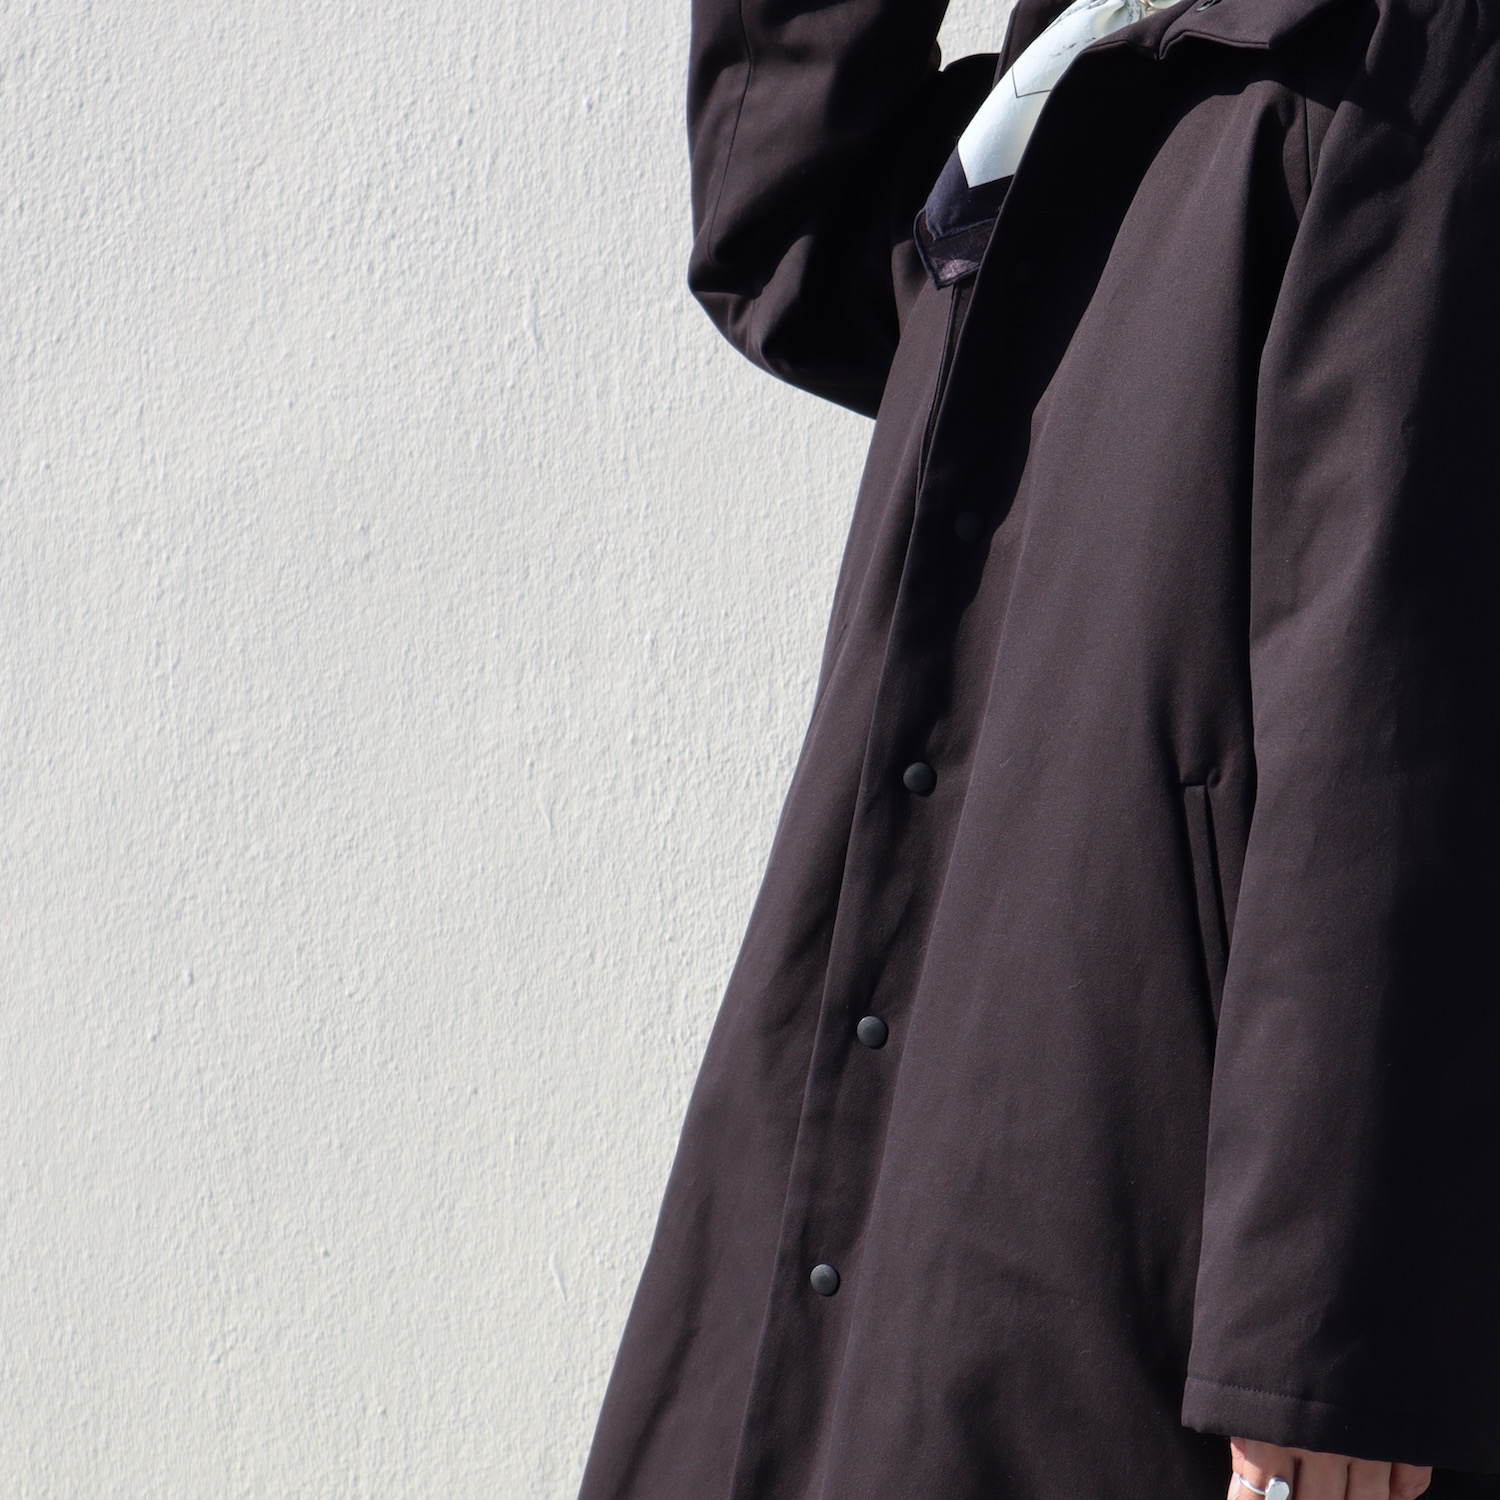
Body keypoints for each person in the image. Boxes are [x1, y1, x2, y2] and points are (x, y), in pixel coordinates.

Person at [577, 0, 1500, 1493]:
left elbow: (1396, 696)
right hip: (911, 1099)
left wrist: (1330, 1337)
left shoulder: (1406, 48)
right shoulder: (1090, 46)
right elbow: (791, 239)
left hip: (1145, 1211)